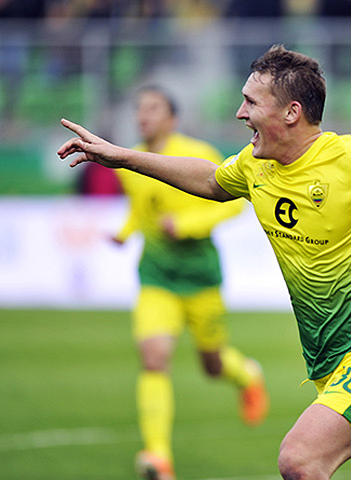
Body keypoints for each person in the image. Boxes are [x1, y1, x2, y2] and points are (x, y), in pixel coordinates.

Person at [58, 45, 351, 480]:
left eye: (251, 102)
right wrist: (121, 157)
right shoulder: (256, 167)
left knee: (300, 459)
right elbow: (211, 180)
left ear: (291, 112)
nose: (240, 113)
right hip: (330, 362)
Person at [111, 85, 269, 480]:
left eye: (153, 108)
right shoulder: (132, 162)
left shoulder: (198, 154)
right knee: (154, 359)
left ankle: (247, 376)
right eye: (140, 108)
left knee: (212, 364)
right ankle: (158, 457)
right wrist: (125, 232)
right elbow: (141, 210)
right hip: (156, 277)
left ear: (172, 118)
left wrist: (186, 224)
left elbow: (234, 204)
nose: (143, 115)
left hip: (201, 278)